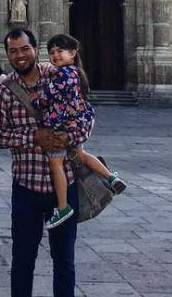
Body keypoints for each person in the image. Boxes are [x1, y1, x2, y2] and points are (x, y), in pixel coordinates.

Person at [0, 28, 91, 297]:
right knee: (22, 261)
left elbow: (86, 116)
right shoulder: (2, 90)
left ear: (35, 49)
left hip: (65, 188)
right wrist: (34, 136)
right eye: (13, 51)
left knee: (65, 262)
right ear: (8, 55)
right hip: (27, 186)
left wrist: (68, 136)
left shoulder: (59, 74)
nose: (20, 55)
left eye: (24, 49)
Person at [42, 34, 125, 229]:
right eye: (51, 52)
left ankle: (62, 207)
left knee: (56, 163)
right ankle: (111, 177)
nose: (55, 55)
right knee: (81, 154)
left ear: (72, 53)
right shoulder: (76, 73)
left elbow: (49, 96)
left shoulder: (63, 75)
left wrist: (39, 100)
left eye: (59, 51)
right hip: (79, 123)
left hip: (63, 125)